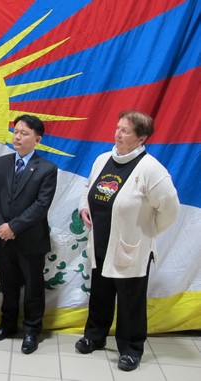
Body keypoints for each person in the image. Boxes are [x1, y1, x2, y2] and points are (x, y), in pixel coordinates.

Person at [74, 110, 179, 371]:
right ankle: (94, 336)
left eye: (125, 131)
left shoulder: (151, 169)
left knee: (131, 301)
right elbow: (89, 188)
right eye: (118, 127)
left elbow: (170, 209)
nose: (117, 134)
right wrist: (84, 206)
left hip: (131, 248)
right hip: (100, 243)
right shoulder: (102, 159)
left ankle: (131, 349)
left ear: (141, 138)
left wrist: (147, 232)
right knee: (100, 293)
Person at [0, 114, 57, 354]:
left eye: (24, 133)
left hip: (30, 240)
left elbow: (41, 205)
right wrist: (0, 226)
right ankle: (7, 326)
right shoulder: (3, 163)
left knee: (33, 288)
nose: (18, 136)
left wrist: (13, 227)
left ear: (37, 139)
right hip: (3, 238)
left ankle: (31, 331)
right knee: (8, 285)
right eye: (16, 131)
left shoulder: (47, 169)